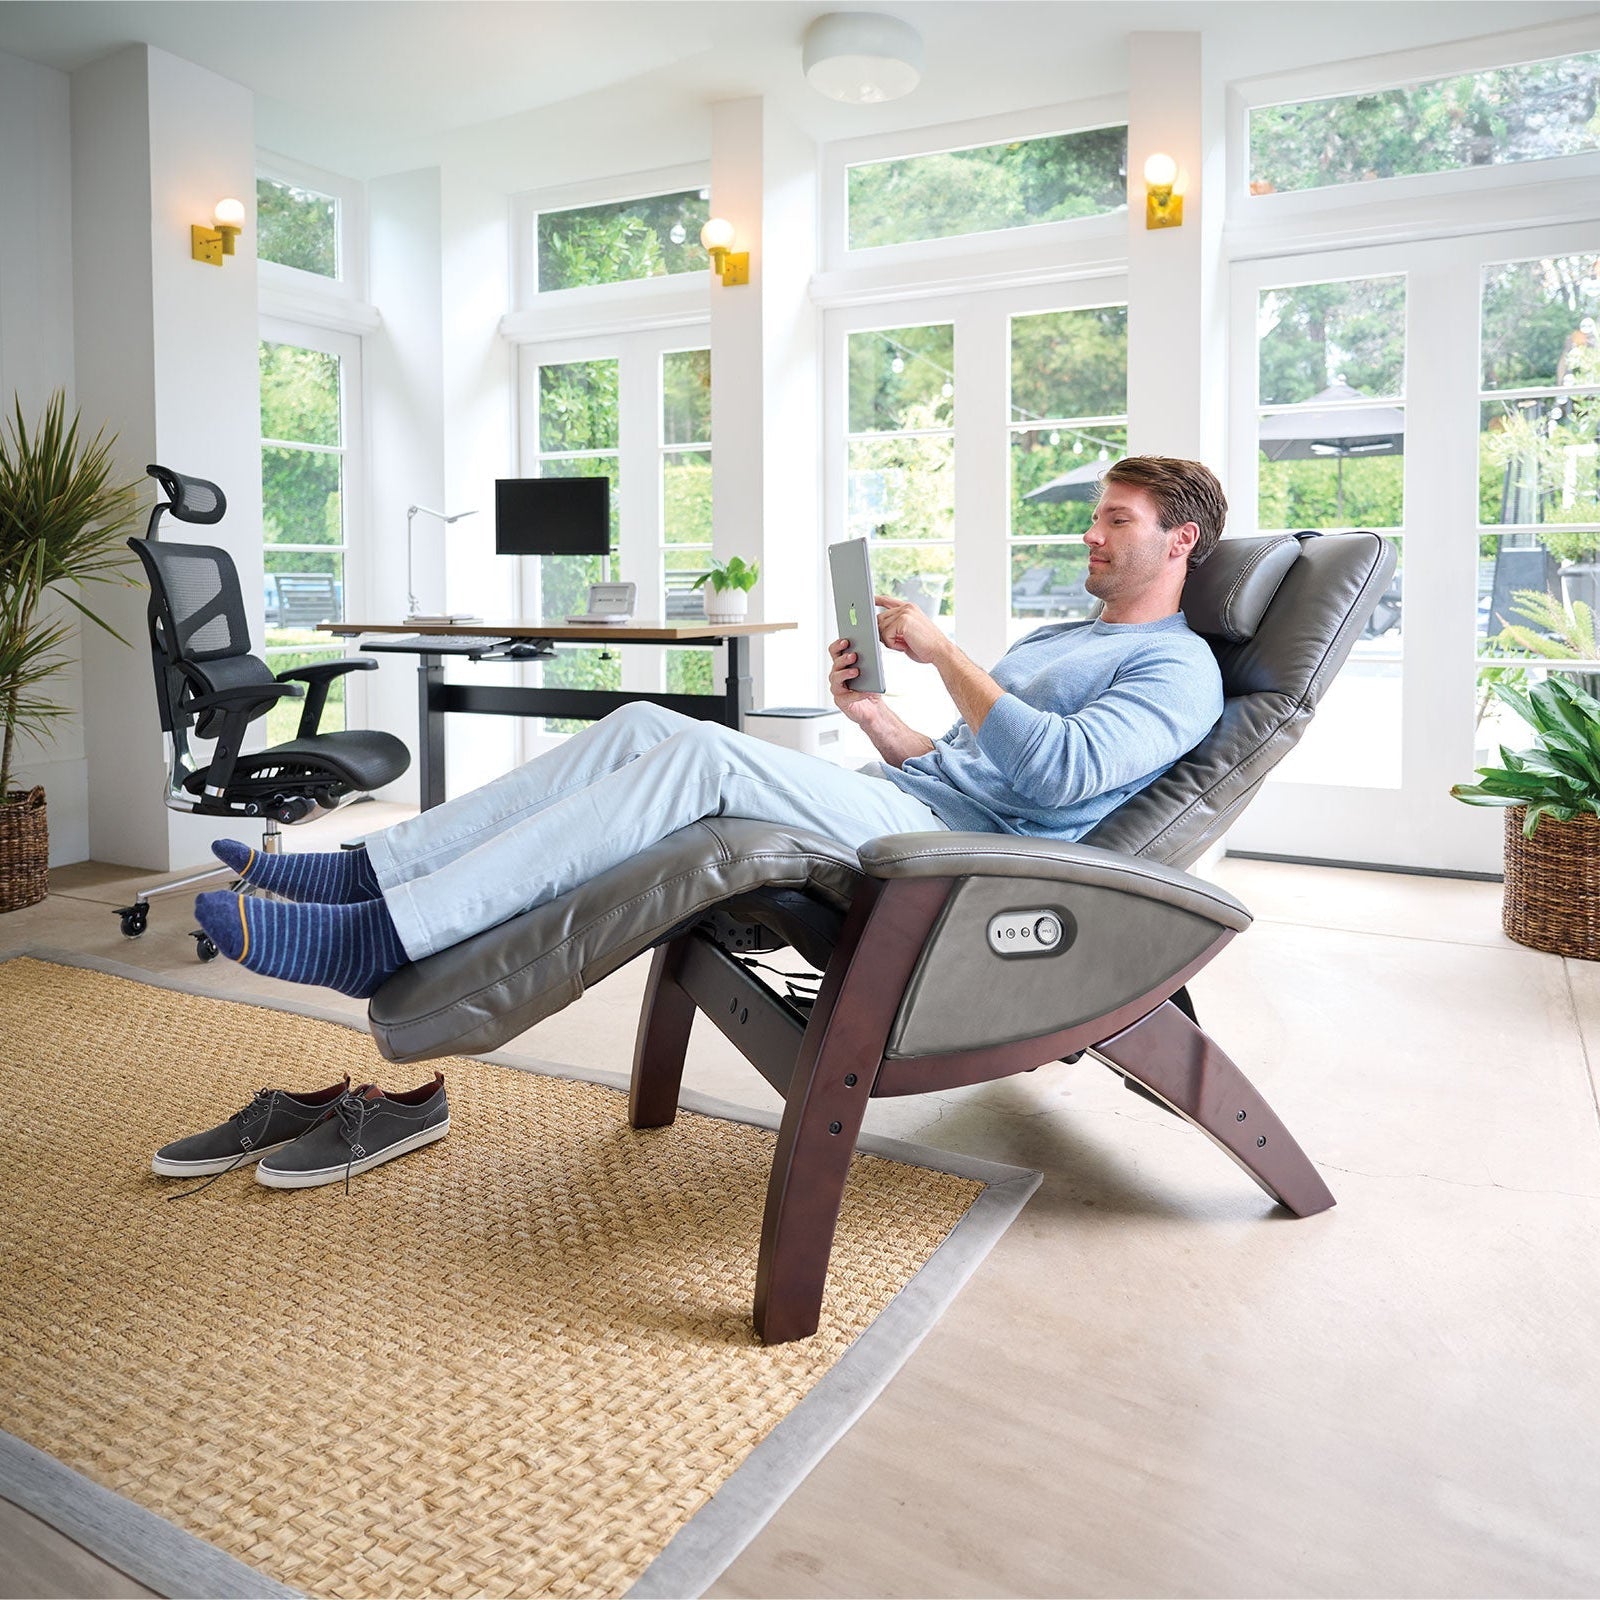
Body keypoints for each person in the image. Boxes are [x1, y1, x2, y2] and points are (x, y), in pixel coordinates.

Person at [194, 455, 1228, 998]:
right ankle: (374, 872)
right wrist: (876, 715)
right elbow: (962, 762)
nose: (1090, 533)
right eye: (1096, 515)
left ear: (1179, 540)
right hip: (908, 802)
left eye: (1116, 521)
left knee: (695, 753)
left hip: (959, 857)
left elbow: (1055, 779)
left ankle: (383, 938)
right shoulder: (1060, 636)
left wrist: (945, 653)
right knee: (644, 718)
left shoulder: (1177, 669)